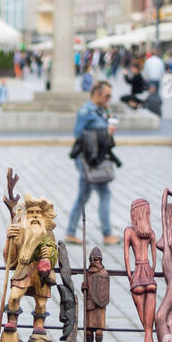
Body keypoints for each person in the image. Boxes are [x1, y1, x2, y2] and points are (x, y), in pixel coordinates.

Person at [67, 80, 121, 247]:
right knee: (104, 194)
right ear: (97, 93)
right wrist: (104, 131)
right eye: (107, 95)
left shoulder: (101, 110)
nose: (109, 98)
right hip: (88, 160)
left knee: (83, 195)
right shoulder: (86, 111)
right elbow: (78, 133)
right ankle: (107, 234)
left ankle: (70, 232)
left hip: (94, 159)